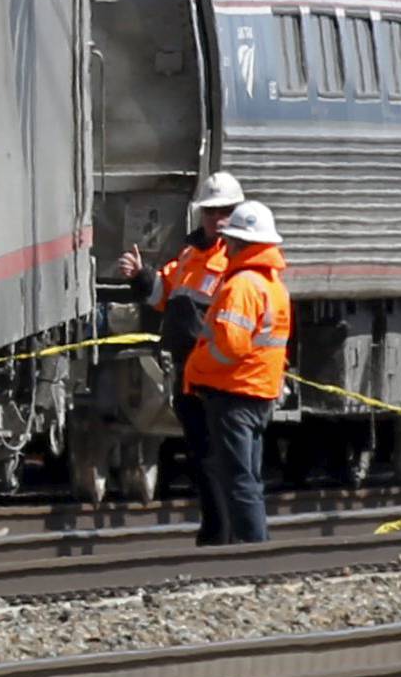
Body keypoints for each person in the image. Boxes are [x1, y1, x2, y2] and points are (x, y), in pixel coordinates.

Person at [118, 171, 246, 544]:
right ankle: (215, 531)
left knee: (220, 457)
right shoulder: (191, 254)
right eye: (211, 212)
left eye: (224, 211)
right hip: (190, 372)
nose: (217, 219)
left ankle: (226, 535)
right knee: (201, 457)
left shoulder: (235, 257)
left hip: (218, 374)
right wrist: (142, 277)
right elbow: (165, 295)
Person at [184, 200, 292, 545]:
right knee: (249, 475)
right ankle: (253, 544)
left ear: (239, 244)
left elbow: (229, 345)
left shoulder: (241, 286)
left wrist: (197, 367)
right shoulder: (273, 286)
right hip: (259, 391)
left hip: (233, 392)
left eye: (229, 239)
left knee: (238, 478)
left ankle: (252, 549)